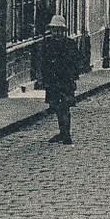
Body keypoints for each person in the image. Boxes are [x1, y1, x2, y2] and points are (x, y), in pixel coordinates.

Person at [39, 14, 82, 146]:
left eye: (60, 30)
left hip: (65, 81)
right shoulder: (47, 44)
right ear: (51, 31)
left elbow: (77, 61)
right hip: (52, 81)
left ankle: (67, 134)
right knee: (57, 107)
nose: (57, 33)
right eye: (54, 30)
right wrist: (43, 79)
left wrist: (73, 75)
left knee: (65, 107)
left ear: (64, 31)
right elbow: (43, 62)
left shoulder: (70, 44)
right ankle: (62, 132)